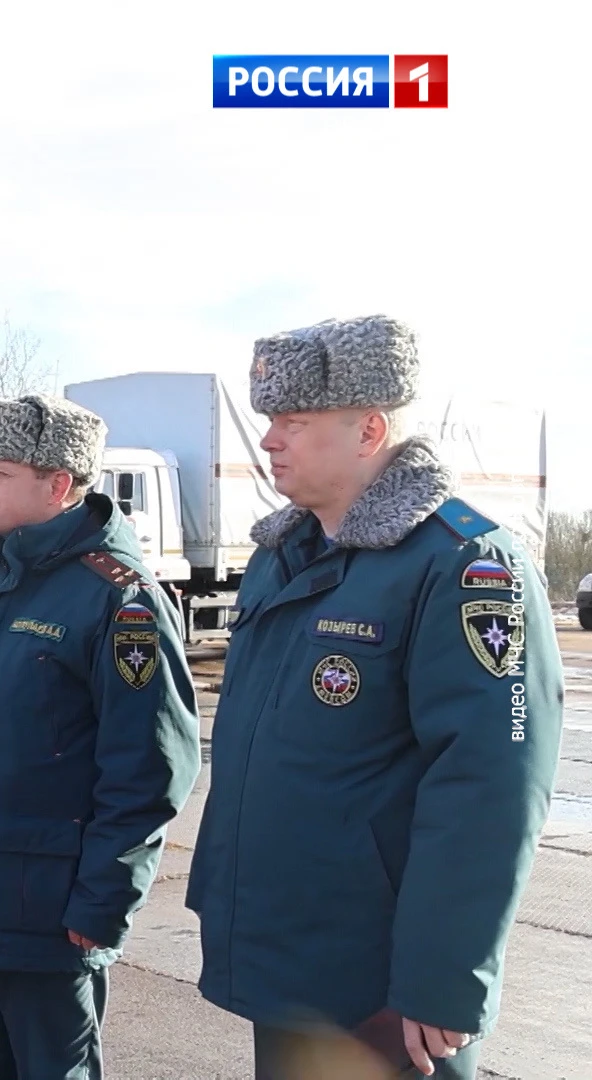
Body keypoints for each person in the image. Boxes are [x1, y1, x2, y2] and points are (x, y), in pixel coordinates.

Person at [187, 315, 564, 1080]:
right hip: (291, 961)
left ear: (369, 429)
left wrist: (443, 978)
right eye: (269, 421)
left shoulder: (463, 566)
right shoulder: (282, 558)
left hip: (386, 994)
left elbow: (491, 790)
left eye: (293, 422)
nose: (269, 441)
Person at [0, 395, 201, 1079]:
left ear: (60, 486)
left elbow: (151, 768)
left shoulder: (118, 600)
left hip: (50, 916)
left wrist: (106, 900)